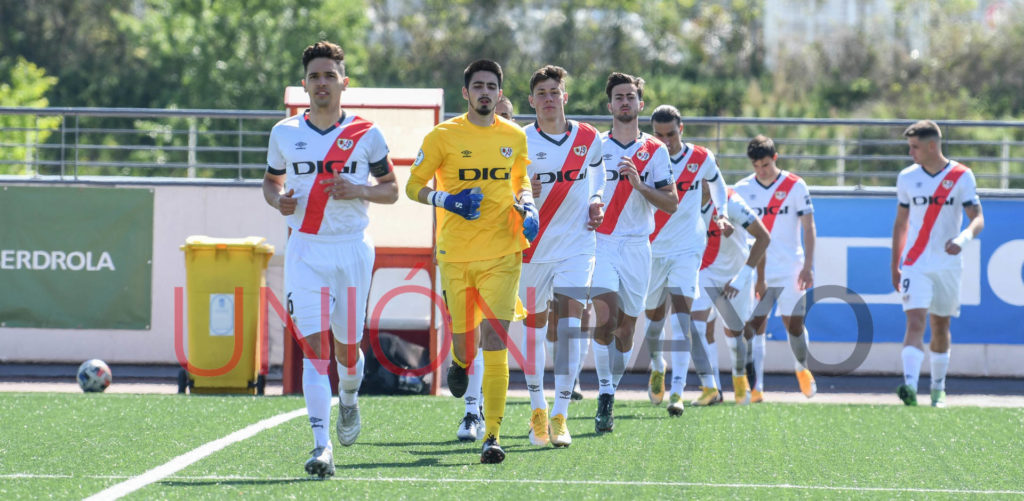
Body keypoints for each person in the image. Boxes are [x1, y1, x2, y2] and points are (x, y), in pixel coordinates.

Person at [263, 41, 398, 478]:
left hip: (352, 249)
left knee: (348, 350)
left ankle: (352, 398)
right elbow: (270, 182)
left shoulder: (367, 133)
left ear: (344, 82)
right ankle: (322, 447)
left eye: (329, 75)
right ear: (305, 84)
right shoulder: (284, 132)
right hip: (305, 250)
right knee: (315, 351)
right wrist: (277, 201)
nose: (322, 83)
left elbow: (391, 190)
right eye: (315, 77)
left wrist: (358, 189)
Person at [406, 59, 536, 463]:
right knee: (467, 342)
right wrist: (449, 201)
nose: (485, 92)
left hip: (503, 252)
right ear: (466, 93)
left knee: (496, 340)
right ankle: (460, 361)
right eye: (478, 86)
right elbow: (412, 187)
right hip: (457, 255)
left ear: (500, 93)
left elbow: (521, 180)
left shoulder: (514, 136)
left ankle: (492, 435)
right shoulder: (442, 135)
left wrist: (529, 208)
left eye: (492, 86)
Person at [515, 65, 605, 447]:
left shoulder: (588, 137)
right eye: (542, 93)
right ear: (532, 101)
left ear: (564, 97)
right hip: (532, 250)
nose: (549, 99)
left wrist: (597, 199)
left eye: (555, 92)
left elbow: (598, 172)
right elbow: (508, 190)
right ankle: (537, 410)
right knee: (533, 329)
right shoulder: (519, 141)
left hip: (577, 246)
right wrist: (524, 194)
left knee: (570, 328)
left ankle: (561, 415)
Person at [591, 72, 677, 432]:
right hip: (602, 243)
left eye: (631, 97)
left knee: (626, 330)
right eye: (619, 97)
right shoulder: (594, 145)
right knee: (605, 319)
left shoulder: (655, 150)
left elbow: (671, 203)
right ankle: (605, 395)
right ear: (609, 105)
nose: (625, 102)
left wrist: (639, 186)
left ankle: (613, 386)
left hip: (638, 247)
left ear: (640, 105)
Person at [643, 105, 729, 415]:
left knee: (681, 321)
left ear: (682, 129)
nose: (665, 141)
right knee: (653, 327)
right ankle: (657, 365)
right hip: (652, 250)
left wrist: (722, 214)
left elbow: (718, 183)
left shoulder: (701, 157)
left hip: (687, 250)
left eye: (671, 134)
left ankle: (677, 393)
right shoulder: (647, 156)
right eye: (659, 135)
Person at [891, 120, 983, 407]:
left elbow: (978, 218)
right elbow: (901, 223)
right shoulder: (906, 177)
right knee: (915, 321)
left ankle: (938, 389)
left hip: (947, 264)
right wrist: (895, 263)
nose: (911, 152)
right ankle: (908, 388)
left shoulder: (961, 176)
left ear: (932, 146)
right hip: (915, 262)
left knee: (940, 325)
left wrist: (963, 240)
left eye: (915, 147)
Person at [733, 135, 817, 401]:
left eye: (766, 165)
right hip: (758, 268)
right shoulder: (742, 188)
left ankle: (802, 368)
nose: (761, 171)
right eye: (756, 166)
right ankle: (757, 387)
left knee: (793, 325)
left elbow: (808, 227)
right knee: (755, 325)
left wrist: (808, 266)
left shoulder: (795, 185)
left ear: (775, 158)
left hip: (790, 267)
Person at [692, 181, 771, 404]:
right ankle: (711, 388)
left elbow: (763, 238)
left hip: (735, 276)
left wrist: (747, 277)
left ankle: (739, 378)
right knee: (697, 326)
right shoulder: (686, 198)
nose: (702, 182)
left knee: (734, 333)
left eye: (708, 176)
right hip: (704, 272)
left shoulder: (732, 201)